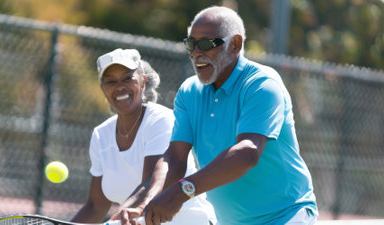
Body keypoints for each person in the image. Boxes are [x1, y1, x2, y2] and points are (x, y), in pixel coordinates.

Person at [117, 6, 318, 225]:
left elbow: (248, 152)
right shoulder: (189, 92)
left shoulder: (262, 85)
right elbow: (174, 158)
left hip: (287, 217)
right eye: (191, 44)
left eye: (205, 44)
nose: (196, 52)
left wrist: (184, 190)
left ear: (235, 44)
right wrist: (144, 203)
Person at [70, 48, 217, 225]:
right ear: (103, 89)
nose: (120, 86)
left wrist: (120, 215)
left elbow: (151, 181)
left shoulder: (161, 120)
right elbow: (95, 206)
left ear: (143, 81)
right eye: (111, 81)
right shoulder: (101, 135)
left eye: (127, 78)